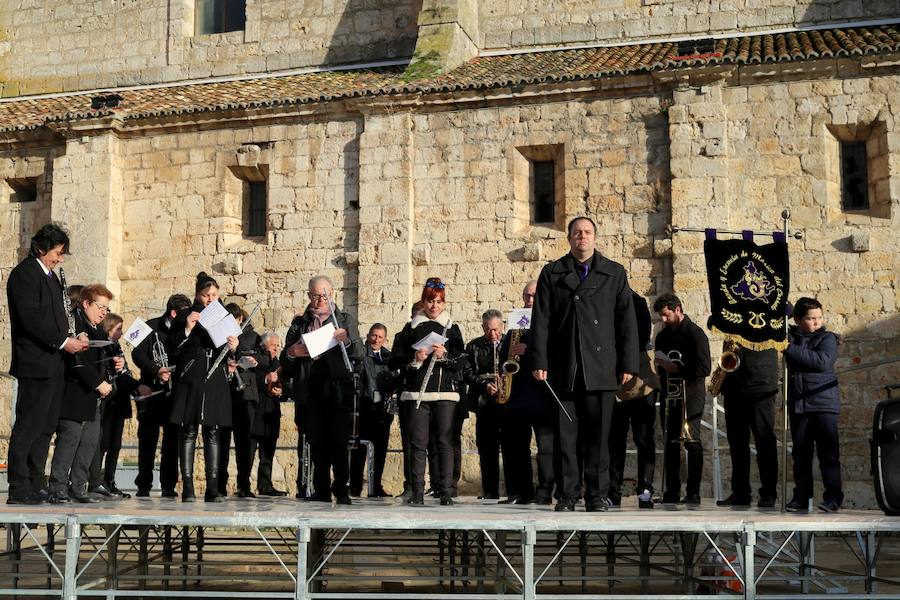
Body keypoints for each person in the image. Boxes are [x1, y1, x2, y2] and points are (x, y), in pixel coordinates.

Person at [530, 217, 639, 512]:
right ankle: (566, 495)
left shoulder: (614, 273)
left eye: (587, 232)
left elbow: (626, 321)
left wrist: (628, 362)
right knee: (565, 438)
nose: (582, 237)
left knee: (599, 437)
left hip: (600, 366)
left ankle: (597, 495)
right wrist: (539, 360)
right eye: (577, 233)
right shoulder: (552, 273)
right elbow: (541, 320)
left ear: (595, 237)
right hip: (564, 366)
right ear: (568, 238)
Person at [6, 223, 89, 504]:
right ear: (41, 248)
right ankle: (19, 485)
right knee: (29, 424)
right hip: (35, 363)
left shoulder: (52, 278)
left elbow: (58, 319)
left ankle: (36, 480)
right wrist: (63, 342)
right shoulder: (24, 275)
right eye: (57, 252)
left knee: (46, 426)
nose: (60, 258)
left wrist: (73, 334)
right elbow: (31, 320)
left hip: (54, 363)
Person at [50, 285, 147, 503]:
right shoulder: (75, 325)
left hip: (93, 397)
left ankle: (78, 487)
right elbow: (76, 362)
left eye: (106, 308)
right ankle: (57, 487)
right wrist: (98, 383)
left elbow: (100, 360)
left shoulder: (98, 331)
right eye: (100, 307)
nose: (104, 312)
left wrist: (115, 364)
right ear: (86, 303)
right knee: (69, 440)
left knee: (89, 443)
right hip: (74, 393)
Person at [281, 275, 362, 505]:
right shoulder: (300, 323)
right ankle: (321, 489)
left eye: (323, 295)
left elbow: (359, 353)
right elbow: (284, 361)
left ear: (331, 294)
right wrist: (292, 353)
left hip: (337, 390)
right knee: (317, 443)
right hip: (310, 391)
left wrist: (346, 341)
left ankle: (342, 489)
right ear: (309, 296)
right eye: (315, 295)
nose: (319, 301)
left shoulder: (344, 319)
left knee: (338, 441)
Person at [389, 277, 466, 506]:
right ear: (423, 301)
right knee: (418, 443)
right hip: (417, 393)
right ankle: (417, 492)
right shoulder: (409, 328)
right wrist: (415, 358)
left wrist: (445, 356)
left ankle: (445, 491)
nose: (435, 306)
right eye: (430, 301)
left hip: (444, 394)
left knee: (444, 442)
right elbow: (393, 361)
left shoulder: (452, 328)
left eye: (439, 302)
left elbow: (462, 360)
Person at [169, 272, 238, 502]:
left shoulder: (223, 315)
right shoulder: (186, 315)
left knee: (213, 431)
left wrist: (233, 345)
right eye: (206, 295)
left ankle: (212, 487)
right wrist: (187, 329)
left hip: (215, 374)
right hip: (192, 373)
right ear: (198, 295)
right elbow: (173, 348)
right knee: (188, 430)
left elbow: (229, 349)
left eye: (214, 295)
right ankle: (187, 486)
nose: (210, 299)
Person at [499, 280, 556, 505]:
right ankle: (519, 492)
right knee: (515, 447)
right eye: (526, 296)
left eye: (533, 296)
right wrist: (509, 352)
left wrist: (529, 350)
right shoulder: (516, 324)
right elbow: (505, 358)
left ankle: (544, 492)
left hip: (542, 394)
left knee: (546, 448)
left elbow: (555, 354)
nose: (529, 300)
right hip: (518, 393)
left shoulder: (550, 321)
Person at [784, 297, 843, 513]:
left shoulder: (828, 338)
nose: (816, 322)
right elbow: (774, 329)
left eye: (819, 317)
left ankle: (833, 497)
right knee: (800, 455)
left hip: (823, 403)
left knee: (828, 454)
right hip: (800, 403)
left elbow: (821, 362)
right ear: (798, 320)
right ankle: (801, 496)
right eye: (810, 319)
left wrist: (789, 349)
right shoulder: (790, 337)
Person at [653, 293, 711, 505]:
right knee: (670, 442)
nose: (664, 320)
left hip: (691, 395)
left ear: (678, 309)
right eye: (661, 316)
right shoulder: (663, 336)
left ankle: (693, 492)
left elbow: (704, 368)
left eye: (667, 315)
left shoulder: (696, 334)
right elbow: (659, 367)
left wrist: (676, 367)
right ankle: (672, 491)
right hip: (670, 394)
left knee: (692, 441)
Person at [131, 293, 191, 498]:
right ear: (173, 313)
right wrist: (155, 369)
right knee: (147, 440)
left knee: (172, 441)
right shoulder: (148, 325)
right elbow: (136, 354)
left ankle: (168, 486)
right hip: (151, 390)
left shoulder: (185, 331)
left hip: (174, 393)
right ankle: (144, 484)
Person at [608, 290, 659, 509]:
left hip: (640, 380)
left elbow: (640, 335)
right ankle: (612, 491)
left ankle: (645, 489)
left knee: (643, 438)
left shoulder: (636, 302)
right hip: (613, 382)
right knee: (614, 440)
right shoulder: (603, 299)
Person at [716, 344, 779, 509]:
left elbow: (784, 324)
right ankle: (740, 492)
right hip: (734, 384)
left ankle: (768, 493)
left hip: (761, 382)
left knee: (764, 440)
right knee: (737, 443)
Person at [88, 313, 143, 499]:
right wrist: (113, 366)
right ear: (109, 328)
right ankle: (95, 480)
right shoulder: (101, 346)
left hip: (119, 401)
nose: (121, 332)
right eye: (118, 328)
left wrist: (137, 386)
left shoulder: (116, 347)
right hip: (106, 402)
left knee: (115, 445)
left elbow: (124, 374)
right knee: (102, 443)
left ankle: (110, 480)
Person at [218, 303, 260, 498]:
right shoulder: (219, 338)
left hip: (245, 396)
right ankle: (219, 484)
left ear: (241, 319)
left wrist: (243, 356)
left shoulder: (252, 336)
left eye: (234, 321)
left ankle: (244, 484)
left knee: (246, 443)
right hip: (224, 394)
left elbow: (263, 359)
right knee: (221, 442)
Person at [350, 324, 397, 498]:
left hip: (382, 411)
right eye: (373, 336)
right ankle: (355, 486)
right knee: (359, 449)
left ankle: (375, 486)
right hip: (364, 408)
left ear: (385, 339)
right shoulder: (361, 354)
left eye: (380, 337)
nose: (376, 340)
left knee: (380, 450)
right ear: (368, 336)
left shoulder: (388, 357)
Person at [464, 309, 505, 500]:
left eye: (496, 330)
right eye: (489, 330)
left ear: (502, 326)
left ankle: (514, 491)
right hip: (484, 404)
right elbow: (467, 373)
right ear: (482, 328)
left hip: (507, 405)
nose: (493, 334)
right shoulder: (473, 346)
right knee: (487, 449)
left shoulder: (509, 344)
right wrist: (484, 384)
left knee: (510, 449)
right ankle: (490, 491)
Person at [251, 332, 287, 496]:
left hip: (271, 412)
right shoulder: (255, 360)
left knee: (268, 452)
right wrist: (265, 379)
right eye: (274, 346)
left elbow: (284, 384)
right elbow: (252, 379)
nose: (276, 349)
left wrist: (281, 391)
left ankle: (265, 484)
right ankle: (243, 484)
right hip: (256, 411)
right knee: (249, 451)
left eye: (278, 346)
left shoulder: (278, 363)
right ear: (265, 345)